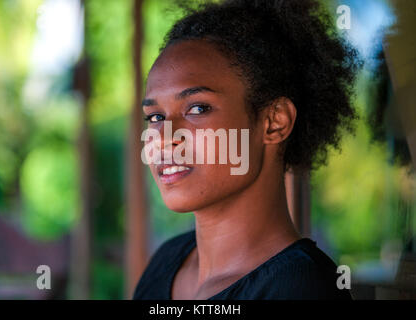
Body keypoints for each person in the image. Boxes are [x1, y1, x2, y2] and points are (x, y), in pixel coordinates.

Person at [133, 0, 360, 300]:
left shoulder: (303, 289)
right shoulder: (166, 262)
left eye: (197, 108)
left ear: (274, 122)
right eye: (156, 117)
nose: (162, 138)